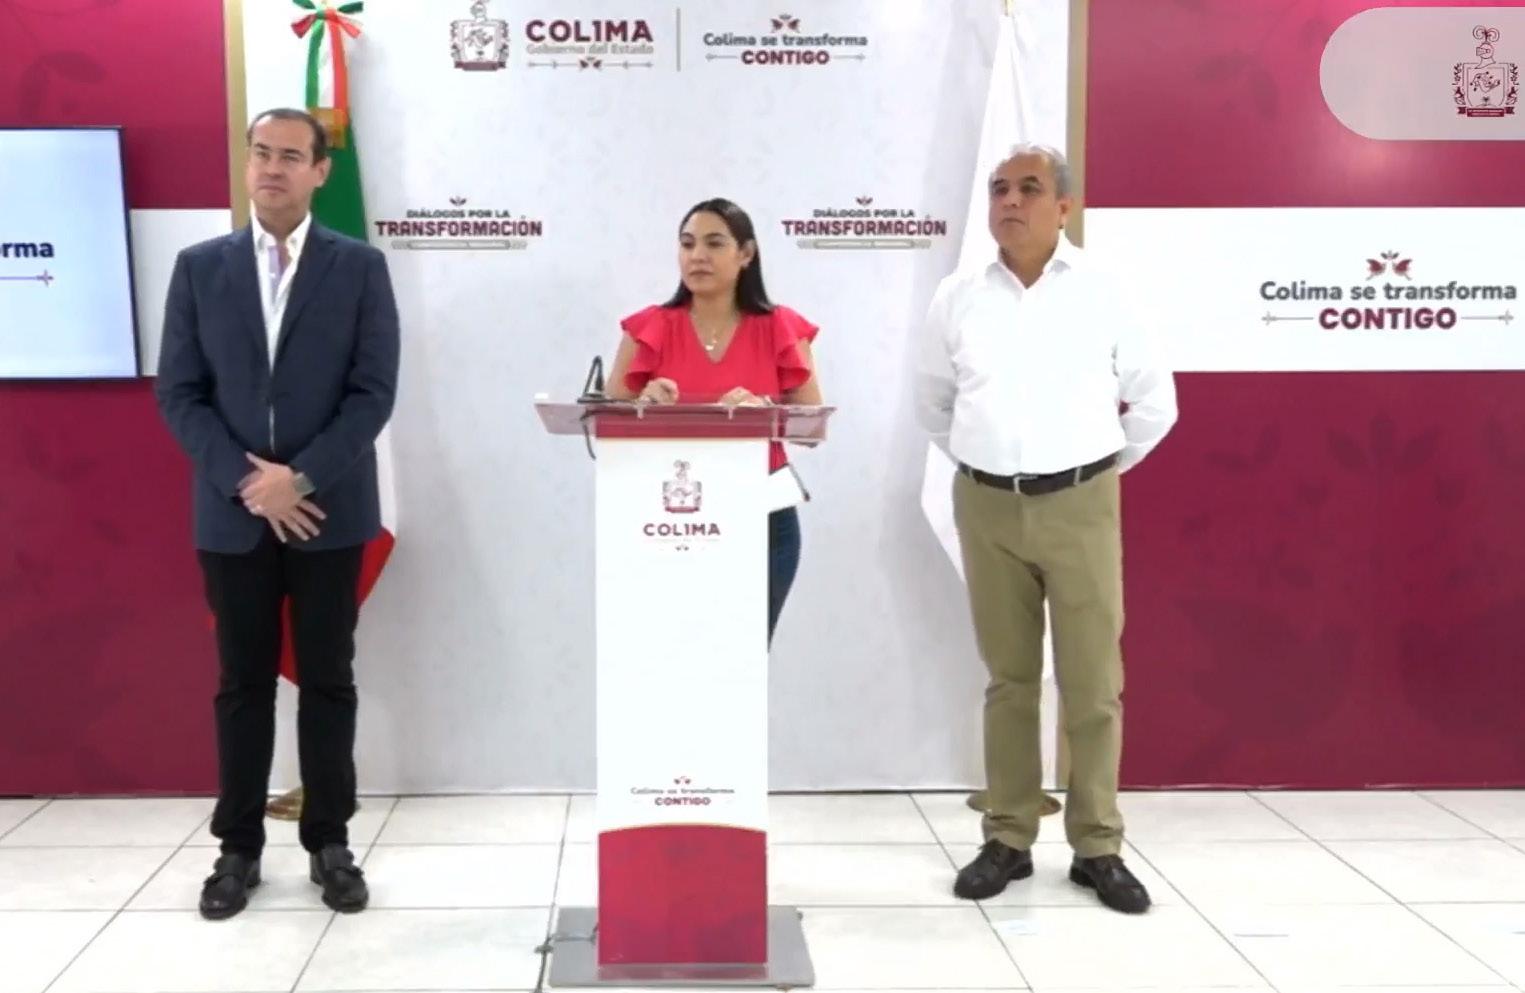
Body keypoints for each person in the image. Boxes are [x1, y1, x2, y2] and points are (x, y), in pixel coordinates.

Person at [915, 143, 1176, 914]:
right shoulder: (957, 296)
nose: (1009, 201)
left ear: (1062, 206)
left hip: (1080, 502)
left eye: (1028, 188)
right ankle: (1008, 835)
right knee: (1009, 678)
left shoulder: (1103, 290)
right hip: (986, 504)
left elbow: (1153, 401)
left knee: (1092, 681)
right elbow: (933, 403)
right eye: (999, 188)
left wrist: (1092, 473)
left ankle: (1096, 845)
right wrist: (989, 462)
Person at [155, 108, 400, 920]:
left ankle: (330, 841)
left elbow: (372, 392)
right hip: (233, 515)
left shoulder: (359, 268)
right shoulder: (200, 267)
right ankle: (238, 847)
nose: (271, 167)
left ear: (320, 171)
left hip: (328, 510)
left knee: (328, 678)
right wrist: (248, 482)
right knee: (242, 682)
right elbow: (179, 392)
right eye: (261, 152)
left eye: (291, 156)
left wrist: (300, 478)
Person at [605, 197, 822, 641]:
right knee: (673, 658)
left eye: (714, 243)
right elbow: (607, 424)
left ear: (746, 253)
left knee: (742, 662)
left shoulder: (780, 327)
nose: (697, 256)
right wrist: (642, 406)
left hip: (762, 518)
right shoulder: (648, 328)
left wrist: (766, 413)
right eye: (687, 244)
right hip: (668, 521)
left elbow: (813, 428)